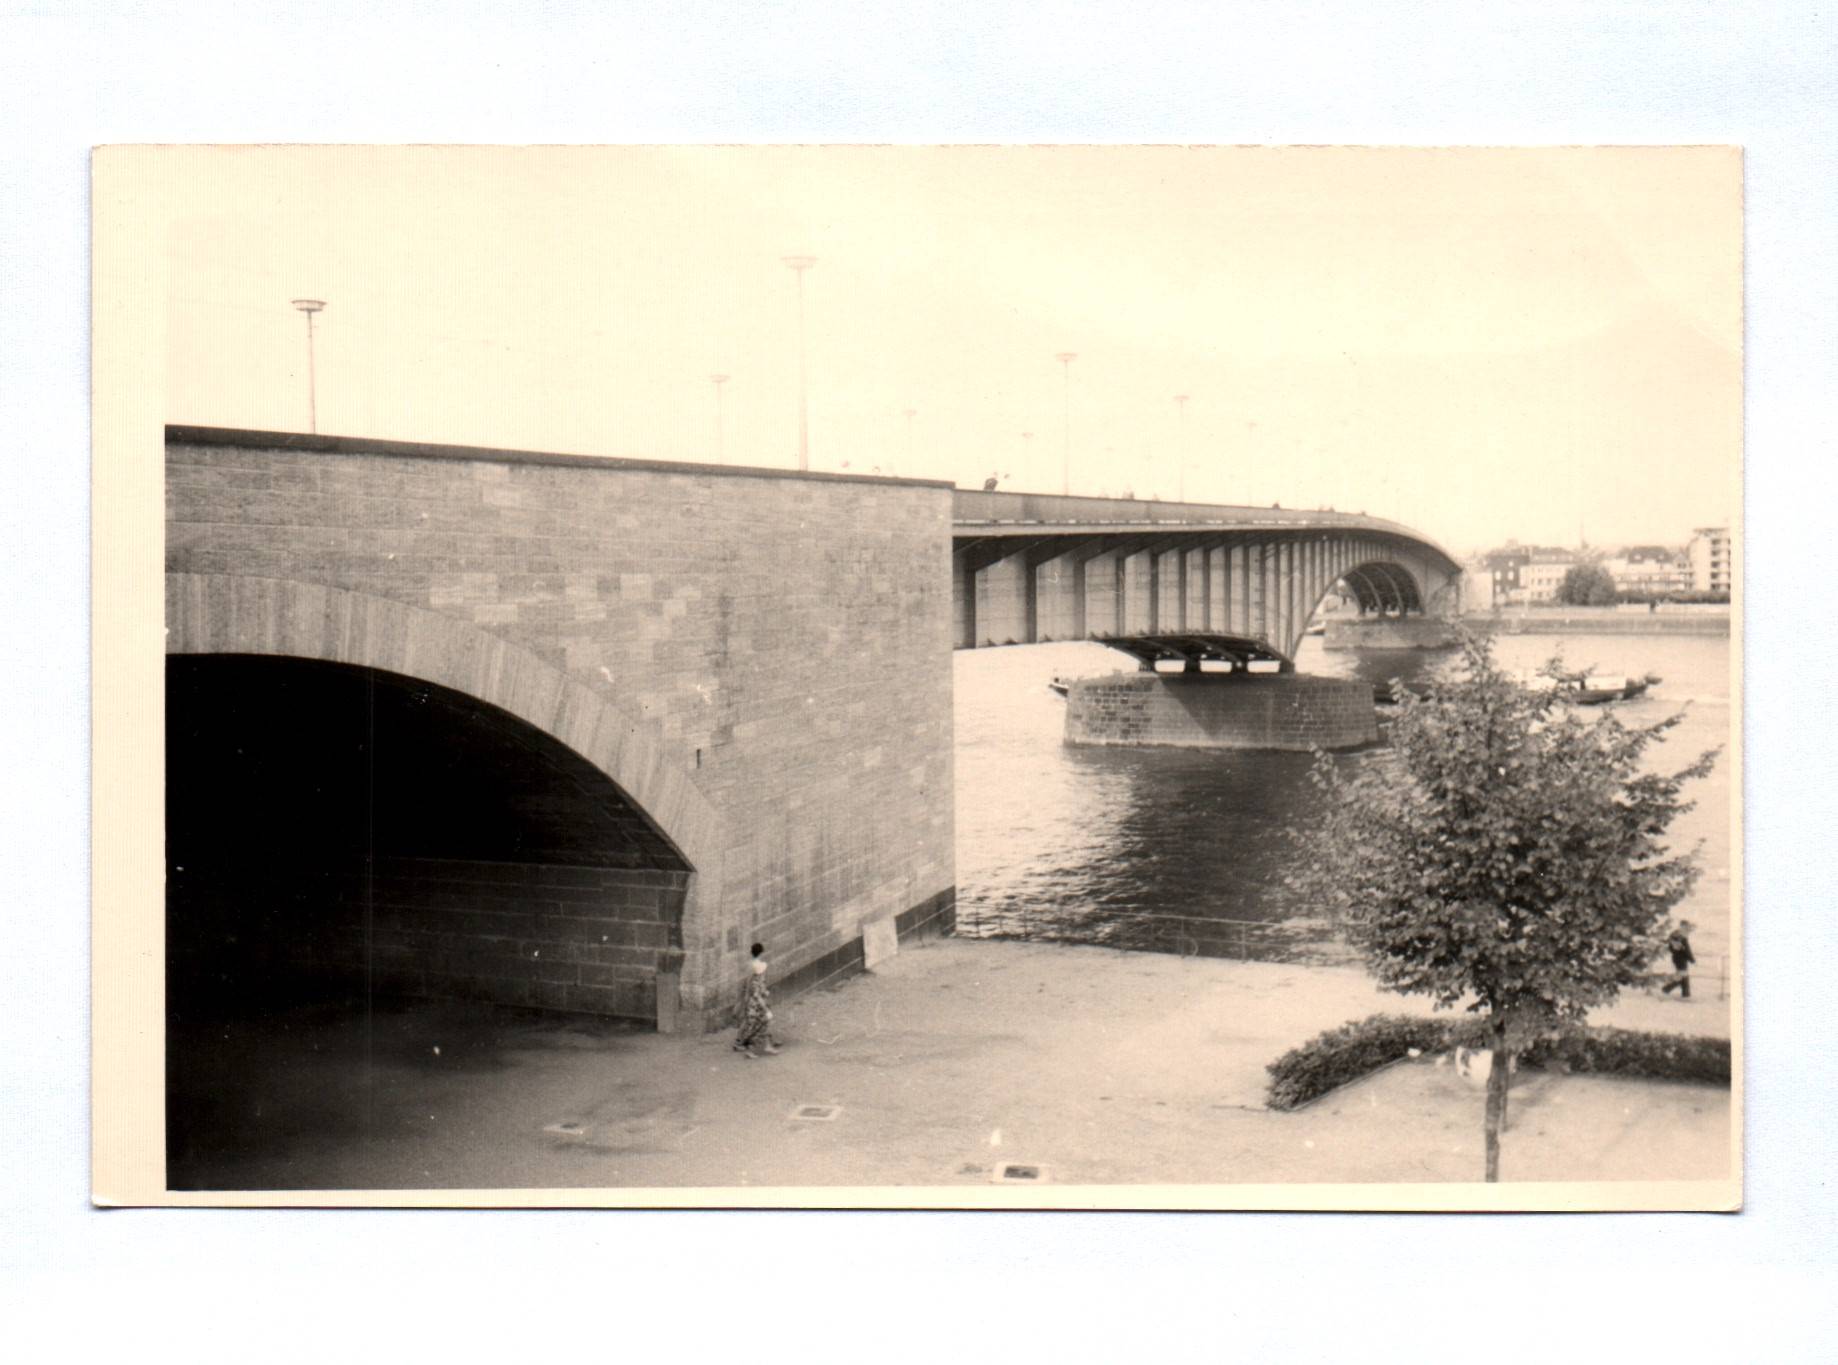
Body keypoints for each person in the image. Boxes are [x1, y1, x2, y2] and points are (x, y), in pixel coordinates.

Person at [733, 942, 781, 1057]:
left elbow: (749, 985)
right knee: (757, 1024)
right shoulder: (757, 977)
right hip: (755, 1003)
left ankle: (760, 1045)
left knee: (755, 1024)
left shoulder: (751, 968)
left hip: (752, 1001)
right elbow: (757, 993)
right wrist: (765, 1008)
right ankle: (747, 1045)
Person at [1660, 921, 1697, 999]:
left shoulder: (1674, 934)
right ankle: (1666, 989)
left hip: (1676, 958)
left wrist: (1675, 951)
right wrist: (1692, 960)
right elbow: (1687, 950)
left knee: (1684, 975)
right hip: (1681, 959)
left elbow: (1669, 946)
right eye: (1686, 926)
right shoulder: (1682, 937)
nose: (1687, 929)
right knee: (1682, 976)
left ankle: (1686, 994)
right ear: (1683, 926)